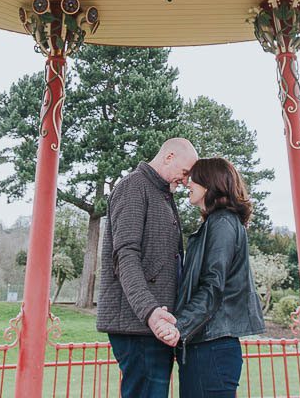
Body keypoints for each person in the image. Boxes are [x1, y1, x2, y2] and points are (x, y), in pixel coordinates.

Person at [97, 138, 198, 398]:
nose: (186, 181)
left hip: (153, 325)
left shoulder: (159, 192)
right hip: (139, 325)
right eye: (185, 172)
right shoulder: (133, 187)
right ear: (168, 157)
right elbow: (125, 256)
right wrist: (150, 311)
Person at [167, 157, 265, 398]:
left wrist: (178, 327)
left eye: (194, 178)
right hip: (206, 346)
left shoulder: (222, 223)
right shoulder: (216, 223)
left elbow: (213, 287)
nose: (188, 183)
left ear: (210, 183)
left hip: (211, 348)